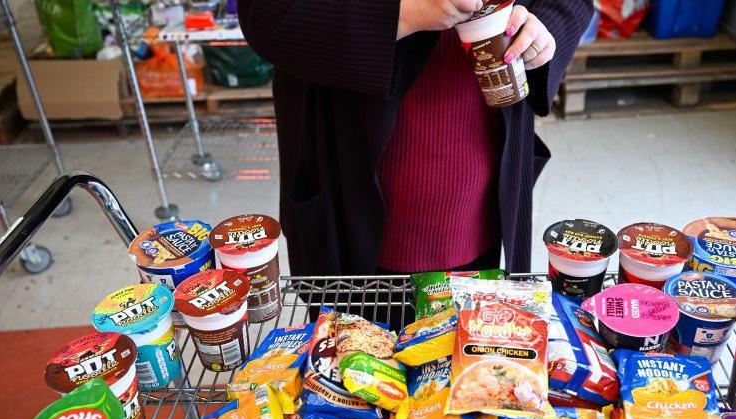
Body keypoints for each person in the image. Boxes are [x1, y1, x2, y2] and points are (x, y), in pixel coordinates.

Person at [239, 0, 594, 276]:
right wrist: (401, 14)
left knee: (470, 352)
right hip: (350, 200)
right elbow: (265, 14)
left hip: (481, 195)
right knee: (353, 352)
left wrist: (543, 30)